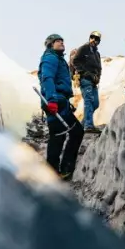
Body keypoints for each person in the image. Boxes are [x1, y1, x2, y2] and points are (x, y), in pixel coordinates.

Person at [37, 34, 84, 180]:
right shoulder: (50, 57)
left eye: (62, 40)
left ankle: (63, 168)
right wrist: (51, 100)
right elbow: (47, 78)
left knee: (68, 133)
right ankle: (55, 171)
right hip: (55, 101)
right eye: (58, 41)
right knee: (59, 135)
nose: (62, 42)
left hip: (60, 101)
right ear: (50, 44)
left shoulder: (58, 59)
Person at [72, 30, 103, 134]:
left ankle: (81, 125)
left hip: (94, 81)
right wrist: (83, 72)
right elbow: (75, 60)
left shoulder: (97, 54)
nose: (94, 40)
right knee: (89, 101)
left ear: (99, 41)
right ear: (89, 38)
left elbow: (99, 68)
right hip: (85, 80)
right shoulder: (84, 48)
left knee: (95, 104)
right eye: (92, 37)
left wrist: (98, 76)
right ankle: (88, 125)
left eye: (96, 38)